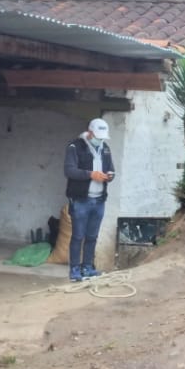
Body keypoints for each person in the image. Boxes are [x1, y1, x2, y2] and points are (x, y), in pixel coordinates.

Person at [63, 118, 116, 282]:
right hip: (80, 200)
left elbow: (111, 169)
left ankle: (87, 267)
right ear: (90, 133)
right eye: (98, 137)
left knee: (92, 236)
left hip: (99, 200)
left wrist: (110, 176)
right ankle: (74, 270)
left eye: (102, 137)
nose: (100, 140)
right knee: (78, 236)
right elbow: (69, 171)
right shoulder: (75, 147)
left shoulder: (105, 148)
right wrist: (90, 174)